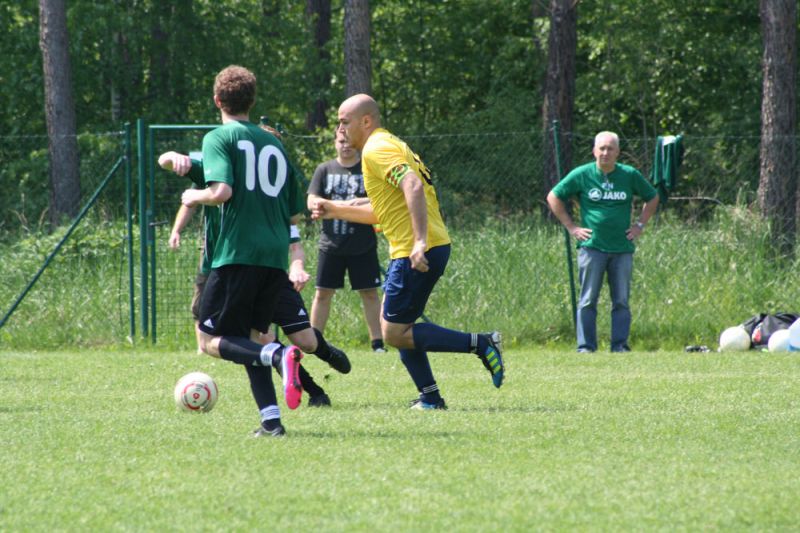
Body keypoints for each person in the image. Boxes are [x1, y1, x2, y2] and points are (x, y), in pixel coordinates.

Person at [310, 93, 505, 410]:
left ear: (366, 121)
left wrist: (418, 242)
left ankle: (481, 343)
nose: (340, 130)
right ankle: (430, 398)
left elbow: (411, 185)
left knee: (394, 332)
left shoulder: (376, 148)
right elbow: (382, 212)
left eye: (345, 122)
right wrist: (334, 209)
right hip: (422, 246)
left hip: (417, 249)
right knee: (399, 325)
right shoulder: (387, 144)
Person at [160, 150, 351, 409]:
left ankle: (321, 353)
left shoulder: (272, 191)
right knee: (259, 338)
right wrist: (173, 156)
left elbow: (294, 236)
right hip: (228, 271)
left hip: (269, 272)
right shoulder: (218, 170)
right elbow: (170, 166)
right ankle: (312, 393)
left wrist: (297, 266)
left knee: (304, 341)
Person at [179, 65, 307, 437]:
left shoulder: (219, 137)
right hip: (274, 255)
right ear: (252, 101)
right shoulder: (275, 144)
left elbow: (221, 192)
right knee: (254, 337)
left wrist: (193, 195)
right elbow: (294, 210)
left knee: (208, 340)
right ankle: (271, 421)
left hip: (237, 252)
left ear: (217, 100)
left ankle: (278, 356)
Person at [546, 131, 660, 353]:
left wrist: (639, 225)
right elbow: (554, 196)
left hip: (622, 248)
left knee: (621, 301)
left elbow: (652, 196)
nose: (605, 153)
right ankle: (586, 347)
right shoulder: (582, 174)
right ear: (594, 151)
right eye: (602, 148)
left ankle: (619, 346)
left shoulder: (629, 175)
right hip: (592, 247)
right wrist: (572, 227)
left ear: (618, 152)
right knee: (588, 299)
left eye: (610, 149)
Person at [307, 132, 385, 353]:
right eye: (341, 141)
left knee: (369, 293)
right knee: (323, 293)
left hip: (363, 245)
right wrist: (318, 204)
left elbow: (382, 198)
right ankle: (314, 343)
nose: (345, 145)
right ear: (335, 143)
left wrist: (361, 201)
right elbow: (311, 199)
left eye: (349, 141)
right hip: (331, 245)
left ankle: (378, 344)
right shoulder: (324, 169)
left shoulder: (368, 169)